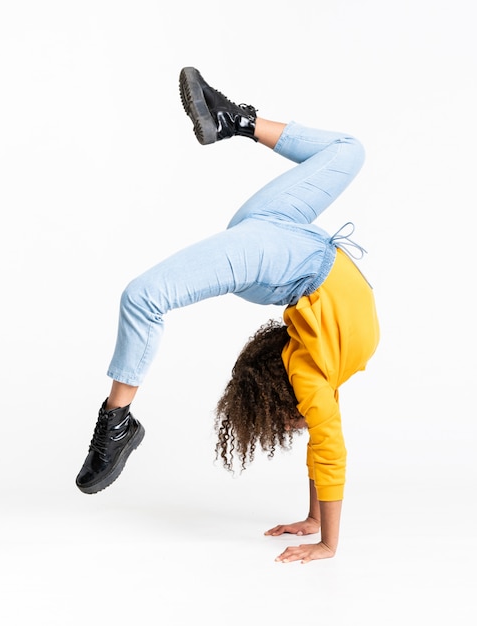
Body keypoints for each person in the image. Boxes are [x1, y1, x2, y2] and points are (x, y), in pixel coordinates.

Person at [75, 67, 380, 564]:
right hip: (284, 242)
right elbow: (327, 451)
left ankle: (117, 420)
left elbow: (323, 447)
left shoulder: (319, 373)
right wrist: (324, 538)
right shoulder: (313, 375)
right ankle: (233, 120)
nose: (292, 429)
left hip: (286, 251)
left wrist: (317, 519)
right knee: (349, 151)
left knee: (145, 297)